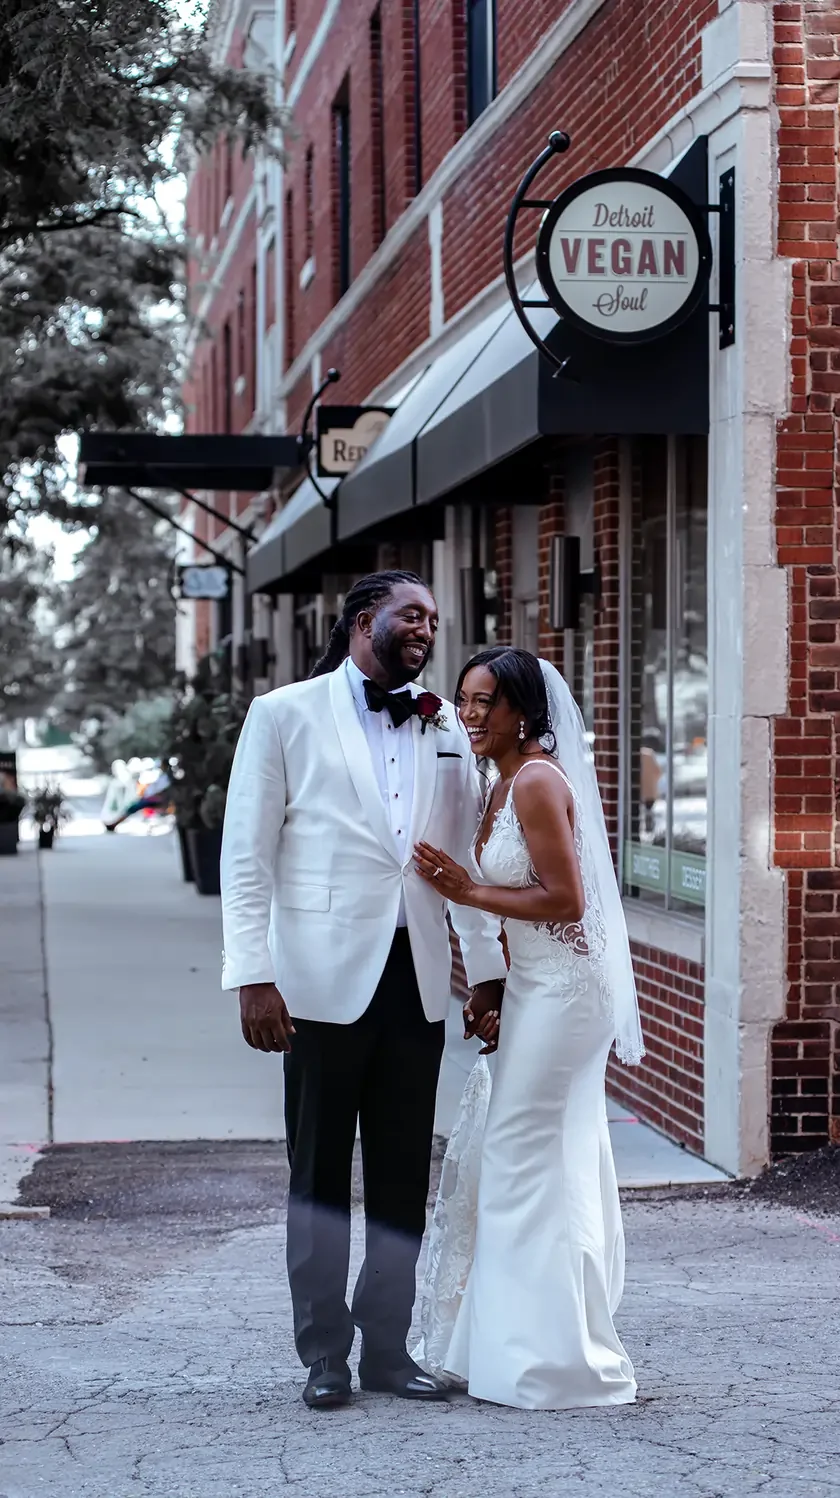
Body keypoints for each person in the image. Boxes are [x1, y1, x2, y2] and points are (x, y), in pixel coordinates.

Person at [219, 571, 506, 1411]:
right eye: (409, 613)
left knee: (397, 1174)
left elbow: (462, 865)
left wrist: (484, 969)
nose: (425, 627)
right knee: (315, 1175)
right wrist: (252, 974)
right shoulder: (282, 714)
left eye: (432, 619)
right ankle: (323, 1355)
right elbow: (246, 854)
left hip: (415, 983)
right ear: (361, 621)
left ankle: (386, 1348)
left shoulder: (447, 724)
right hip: (310, 984)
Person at [412, 646, 645, 1410]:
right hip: (536, 986)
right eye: (465, 700)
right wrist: (500, 988)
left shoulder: (539, 780)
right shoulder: (498, 781)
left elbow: (566, 902)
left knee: (516, 1151)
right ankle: (517, 1345)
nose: (471, 715)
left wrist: (468, 889)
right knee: (541, 1157)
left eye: (488, 703)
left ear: (525, 712)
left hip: (571, 994)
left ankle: (551, 1359)